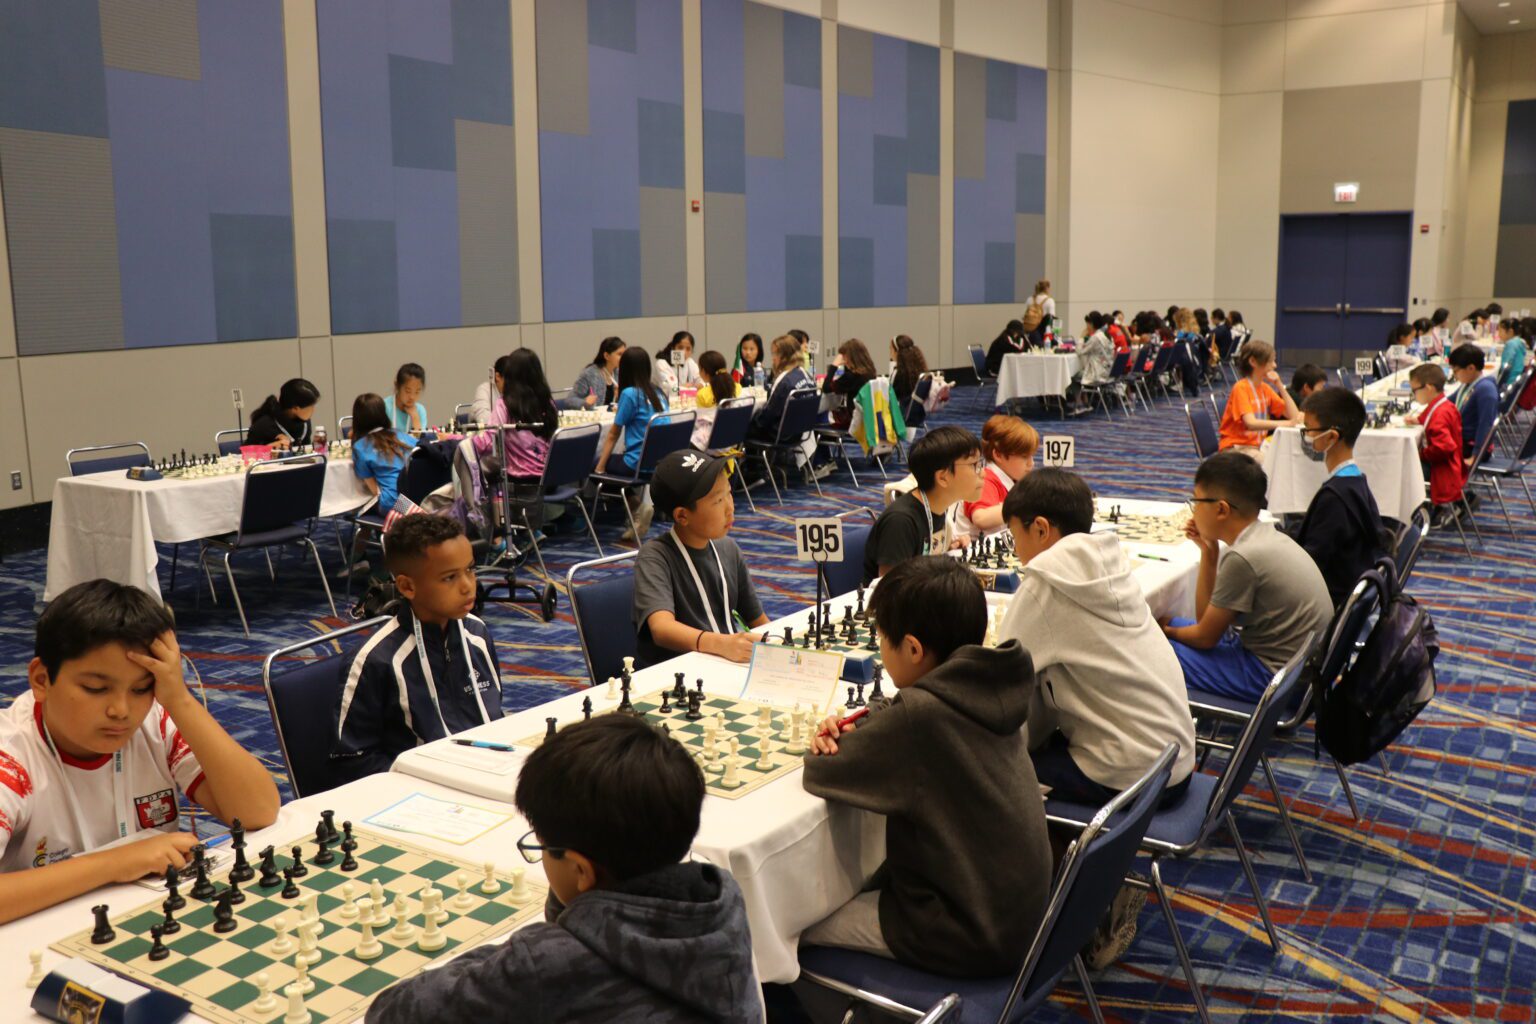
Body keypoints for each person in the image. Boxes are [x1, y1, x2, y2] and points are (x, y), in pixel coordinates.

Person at [369, 714, 761, 1024]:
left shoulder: (543, 965)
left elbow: (392, 1011)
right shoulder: (719, 897)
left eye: (541, 844)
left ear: (581, 870)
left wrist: (516, 957)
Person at [800, 556, 1051, 977]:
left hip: (966, 932)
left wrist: (832, 737)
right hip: (1019, 916)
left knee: (792, 927)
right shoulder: (991, 682)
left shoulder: (923, 718)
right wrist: (876, 717)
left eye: (882, 637)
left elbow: (822, 770)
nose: (879, 646)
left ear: (914, 649)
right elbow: (907, 714)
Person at [0, 580, 279, 922]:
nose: (121, 710)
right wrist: (115, 862)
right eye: (96, 688)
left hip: (145, 916)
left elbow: (259, 811)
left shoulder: (156, 720)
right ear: (42, 680)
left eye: (141, 688)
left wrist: (178, 699)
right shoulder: (10, 757)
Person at [998, 470, 1196, 806]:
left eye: (1015, 537)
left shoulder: (1044, 584)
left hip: (1133, 778)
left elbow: (1001, 678)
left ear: (1042, 529)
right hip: (1174, 761)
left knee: (992, 774)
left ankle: (1058, 855)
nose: (1016, 551)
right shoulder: (1113, 566)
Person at [330, 515, 502, 785]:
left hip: (486, 775)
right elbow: (353, 760)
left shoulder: (477, 634)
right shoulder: (376, 661)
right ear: (408, 586)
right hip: (423, 792)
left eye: (470, 569)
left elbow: (494, 714)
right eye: (449, 578)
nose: (469, 585)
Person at [1162, 452, 1333, 701]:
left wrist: (1166, 631)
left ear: (1221, 509)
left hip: (1275, 678)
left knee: (1153, 650)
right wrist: (1209, 553)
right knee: (1168, 627)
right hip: (1300, 670)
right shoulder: (1265, 535)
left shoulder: (1243, 558)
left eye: (1197, 502)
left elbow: (1205, 637)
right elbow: (1205, 620)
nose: (1194, 511)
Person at [633, 451, 769, 668]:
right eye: (718, 501)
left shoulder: (728, 548)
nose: (730, 508)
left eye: (729, 494)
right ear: (682, 516)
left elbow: (758, 621)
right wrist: (722, 644)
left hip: (726, 663)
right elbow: (662, 629)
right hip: (683, 673)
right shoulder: (655, 557)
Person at [1287, 388, 1390, 607]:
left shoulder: (1334, 497)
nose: (1306, 437)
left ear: (1331, 437)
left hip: (1327, 601)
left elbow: (1310, 563)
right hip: (1349, 587)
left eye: (1309, 431)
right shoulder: (1356, 481)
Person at [862, 427, 982, 582]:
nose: (983, 473)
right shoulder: (901, 521)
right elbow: (891, 589)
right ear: (943, 478)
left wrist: (946, 552)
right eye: (975, 465)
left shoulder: (939, 507)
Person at [596, 347, 669, 543]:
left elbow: (613, 434)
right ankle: (637, 510)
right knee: (608, 465)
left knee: (594, 471)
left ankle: (636, 508)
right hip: (658, 463)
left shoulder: (630, 394)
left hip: (636, 463)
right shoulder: (658, 392)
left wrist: (600, 467)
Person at [473, 349, 559, 479]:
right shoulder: (548, 402)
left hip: (525, 483)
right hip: (552, 478)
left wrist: (457, 443)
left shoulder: (505, 404)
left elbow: (488, 443)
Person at [957, 415, 1037, 539]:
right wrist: (1025, 504)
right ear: (998, 455)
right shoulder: (986, 480)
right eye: (1024, 456)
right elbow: (981, 518)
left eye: (1032, 456)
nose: (1031, 463)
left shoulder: (1011, 480)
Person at [1218, 339, 1300, 457]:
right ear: (1253, 361)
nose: (1275, 365)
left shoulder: (1265, 389)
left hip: (1256, 446)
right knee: (1270, 466)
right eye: (1270, 361)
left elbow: (1294, 416)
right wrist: (1287, 424)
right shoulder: (1241, 388)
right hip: (1236, 447)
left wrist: (1279, 385)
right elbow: (1251, 423)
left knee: (1286, 457)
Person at [1410, 362, 1464, 522]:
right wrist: (1417, 419)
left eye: (1415, 390)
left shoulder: (1439, 415)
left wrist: (1419, 455)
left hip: (1442, 469)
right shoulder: (1443, 405)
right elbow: (1430, 414)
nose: (1414, 395)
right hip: (1450, 463)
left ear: (1428, 388)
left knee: (1401, 466)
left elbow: (1443, 448)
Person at [350, 393, 419, 513]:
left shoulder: (360, 447)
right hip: (419, 498)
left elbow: (375, 491)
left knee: (359, 506)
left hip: (395, 503)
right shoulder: (401, 435)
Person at [749, 334, 813, 442]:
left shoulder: (784, 381)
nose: (773, 358)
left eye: (774, 354)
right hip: (798, 433)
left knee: (740, 428)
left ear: (784, 357)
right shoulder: (805, 374)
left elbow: (767, 417)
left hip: (778, 435)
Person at [1449, 343, 1499, 476]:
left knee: (1429, 452)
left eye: (1456, 371)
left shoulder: (1485, 390)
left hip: (1472, 447)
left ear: (1471, 368)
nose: (1454, 376)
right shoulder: (1469, 384)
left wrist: (1476, 455)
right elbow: (1448, 402)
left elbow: (1486, 425)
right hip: (1463, 440)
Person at [246, 378, 319, 449]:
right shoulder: (264, 425)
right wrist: (268, 448)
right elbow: (243, 455)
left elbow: (306, 449)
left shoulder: (304, 422)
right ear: (295, 408)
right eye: (311, 406)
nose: (313, 409)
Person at [822, 338, 877, 430]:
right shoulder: (870, 372)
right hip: (867, 420)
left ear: (850, 357)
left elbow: (826, 388)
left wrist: (834, 365)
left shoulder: (851, 377)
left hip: (854, 421)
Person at [691, 350, 738, 448]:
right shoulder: (737, 387)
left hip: (712, 445)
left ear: (704, 372)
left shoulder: (702, 394)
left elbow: (700, 425)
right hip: (733, 438)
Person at [564, 337, 626, 410]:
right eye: (620, 354)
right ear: (607, 356)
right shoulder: (590, 374)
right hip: (595, 419)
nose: (624, 357)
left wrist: (620, 397)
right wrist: (585, 403)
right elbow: (570, 400)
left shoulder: (619, 372)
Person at [890, 335, 931, 426]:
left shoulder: (898, 373)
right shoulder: (920, 371)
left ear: (897, 352)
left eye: (891, 350)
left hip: (900, 414)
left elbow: (891, 396)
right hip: (917, 413)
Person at [470, 353, 518, 423]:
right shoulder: (483, 390)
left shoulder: (517, 391)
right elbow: (484, 419)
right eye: (510, 379)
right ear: (498, 376)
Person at [384, 363, 428, 433]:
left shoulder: (420, 410)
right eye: (408, 391)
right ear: (397, 386)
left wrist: (415, 418)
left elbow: (421, 441)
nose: (412, 397)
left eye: (417, 392)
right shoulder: (384, 407)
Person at [1495, 317, 1528, 388]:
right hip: (1517, 379)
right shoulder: (1520, 341)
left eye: (1500, 331)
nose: (1498, 334)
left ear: (1510, 331)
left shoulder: (1511, 344)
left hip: (1509, 381)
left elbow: (1506, 366)